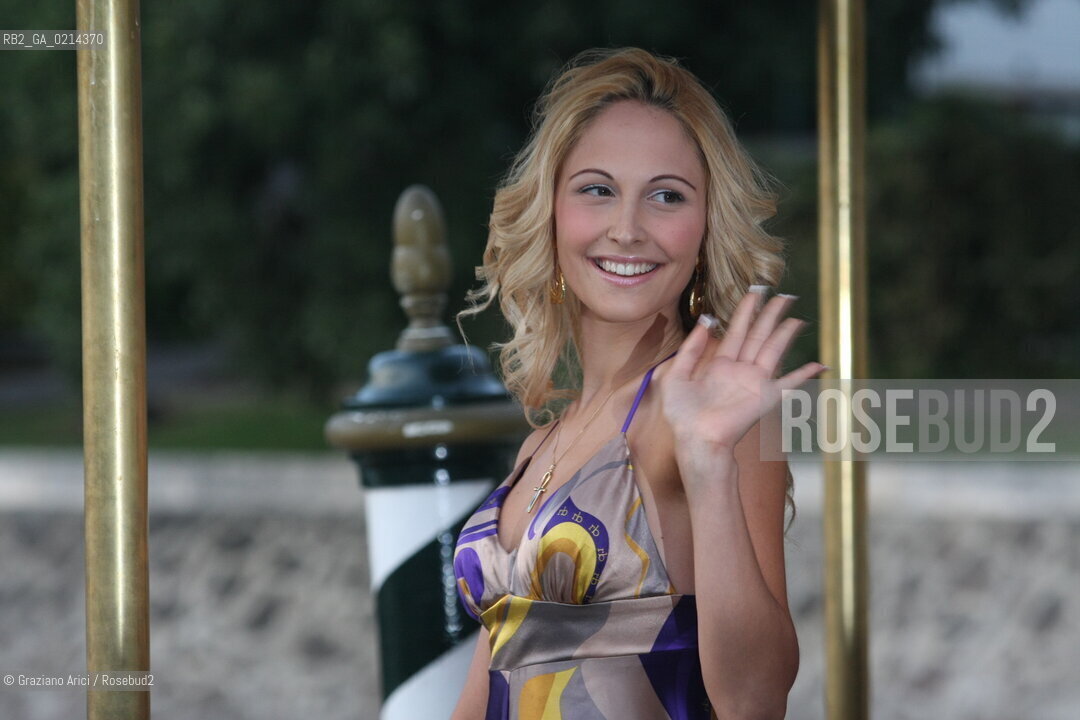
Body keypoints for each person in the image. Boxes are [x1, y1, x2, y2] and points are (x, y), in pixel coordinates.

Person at [451, 47, 825, 720]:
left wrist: (709, 463)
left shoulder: (713, 415)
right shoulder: (544, 438)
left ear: (707, 226)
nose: (627, 229)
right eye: (597, 189)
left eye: (666, 196)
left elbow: (757, 701)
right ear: (552, 211)